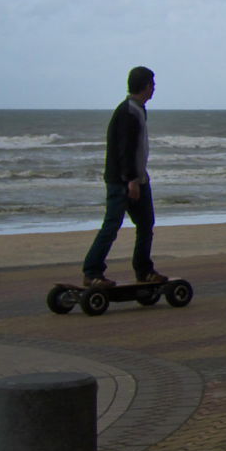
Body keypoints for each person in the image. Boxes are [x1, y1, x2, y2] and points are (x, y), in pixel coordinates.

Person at [80, 66, 166, 288]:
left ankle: (144, 270)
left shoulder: (138, 109)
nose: (154, 88)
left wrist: (138, 177)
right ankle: (92, 271)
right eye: (153, 84)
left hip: (138, 178)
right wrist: (131, 180)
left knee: (146, 224)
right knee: (112, 225)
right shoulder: (128, 111)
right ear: (146, 85)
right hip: (124, 181)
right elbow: (124, 149)